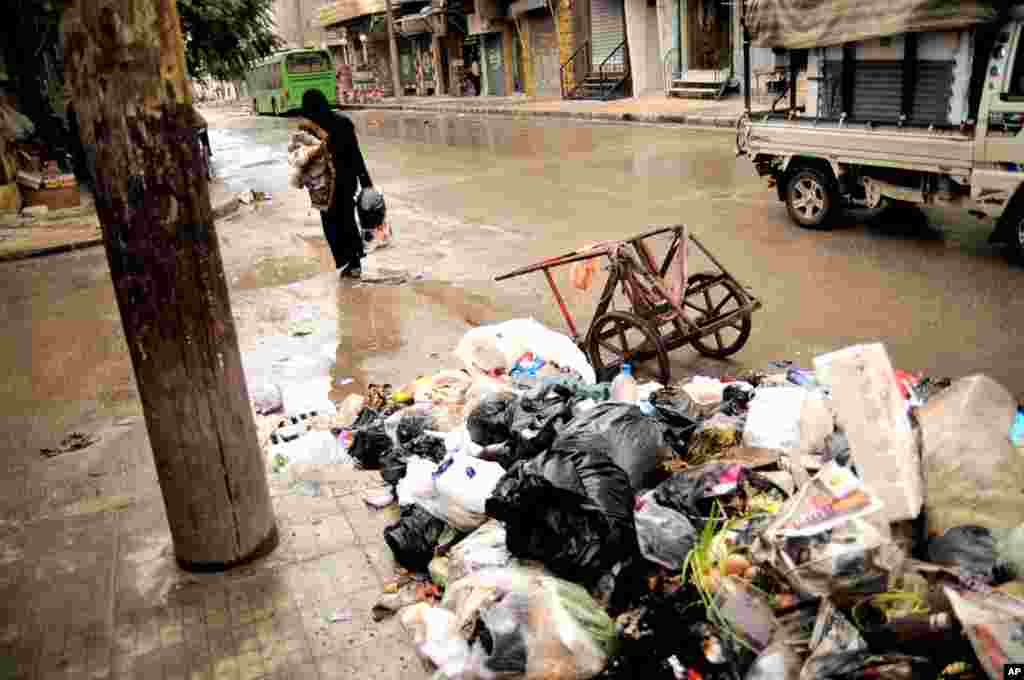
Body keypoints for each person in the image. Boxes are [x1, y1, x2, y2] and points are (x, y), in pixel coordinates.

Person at [301, 89, 373, 278]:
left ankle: (348, 261)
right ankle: (355, 262)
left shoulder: (310, 129)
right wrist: (365, 181)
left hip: (324, 187)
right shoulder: (343, 122)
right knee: (347, 220)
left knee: (332, 225)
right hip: (347, 182)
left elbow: (304, 161)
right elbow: (355, 154)